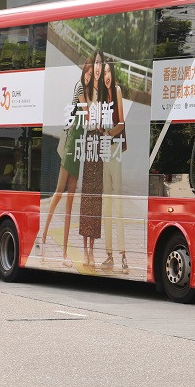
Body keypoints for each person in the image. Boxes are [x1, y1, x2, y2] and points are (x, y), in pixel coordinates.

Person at [41, 58, 93, 266]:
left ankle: (63, 254)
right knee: (58, 193)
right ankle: (44, 238)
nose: (88, 76)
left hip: (78, 144)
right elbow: (87, 114)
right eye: (87, 72)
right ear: (83, 72)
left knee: (70, 200)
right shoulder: (80, 87)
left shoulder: (87, 90)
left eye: (91, 74)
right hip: (72, 142)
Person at [101, 61, 129, 273]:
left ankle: (123, 256)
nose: (107, 75)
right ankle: (109, 255)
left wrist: (108, 133)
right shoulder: (101, 97)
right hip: (104, 151)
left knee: (118, 204)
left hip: (115, 150)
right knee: (106, 206)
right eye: (104, 73)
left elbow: (121, 123)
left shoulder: (117, 91)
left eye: (109, 71)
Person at [79, 49, 106, 269]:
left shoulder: (105, 91)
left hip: (101, 142)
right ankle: (85, 250)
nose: (96, 67)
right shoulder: (86, 89)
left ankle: (93, 250)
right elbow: (87, 116)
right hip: (90, 140)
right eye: (95, 63)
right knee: (87, 197)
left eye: (99, 63)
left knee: (96, 199)